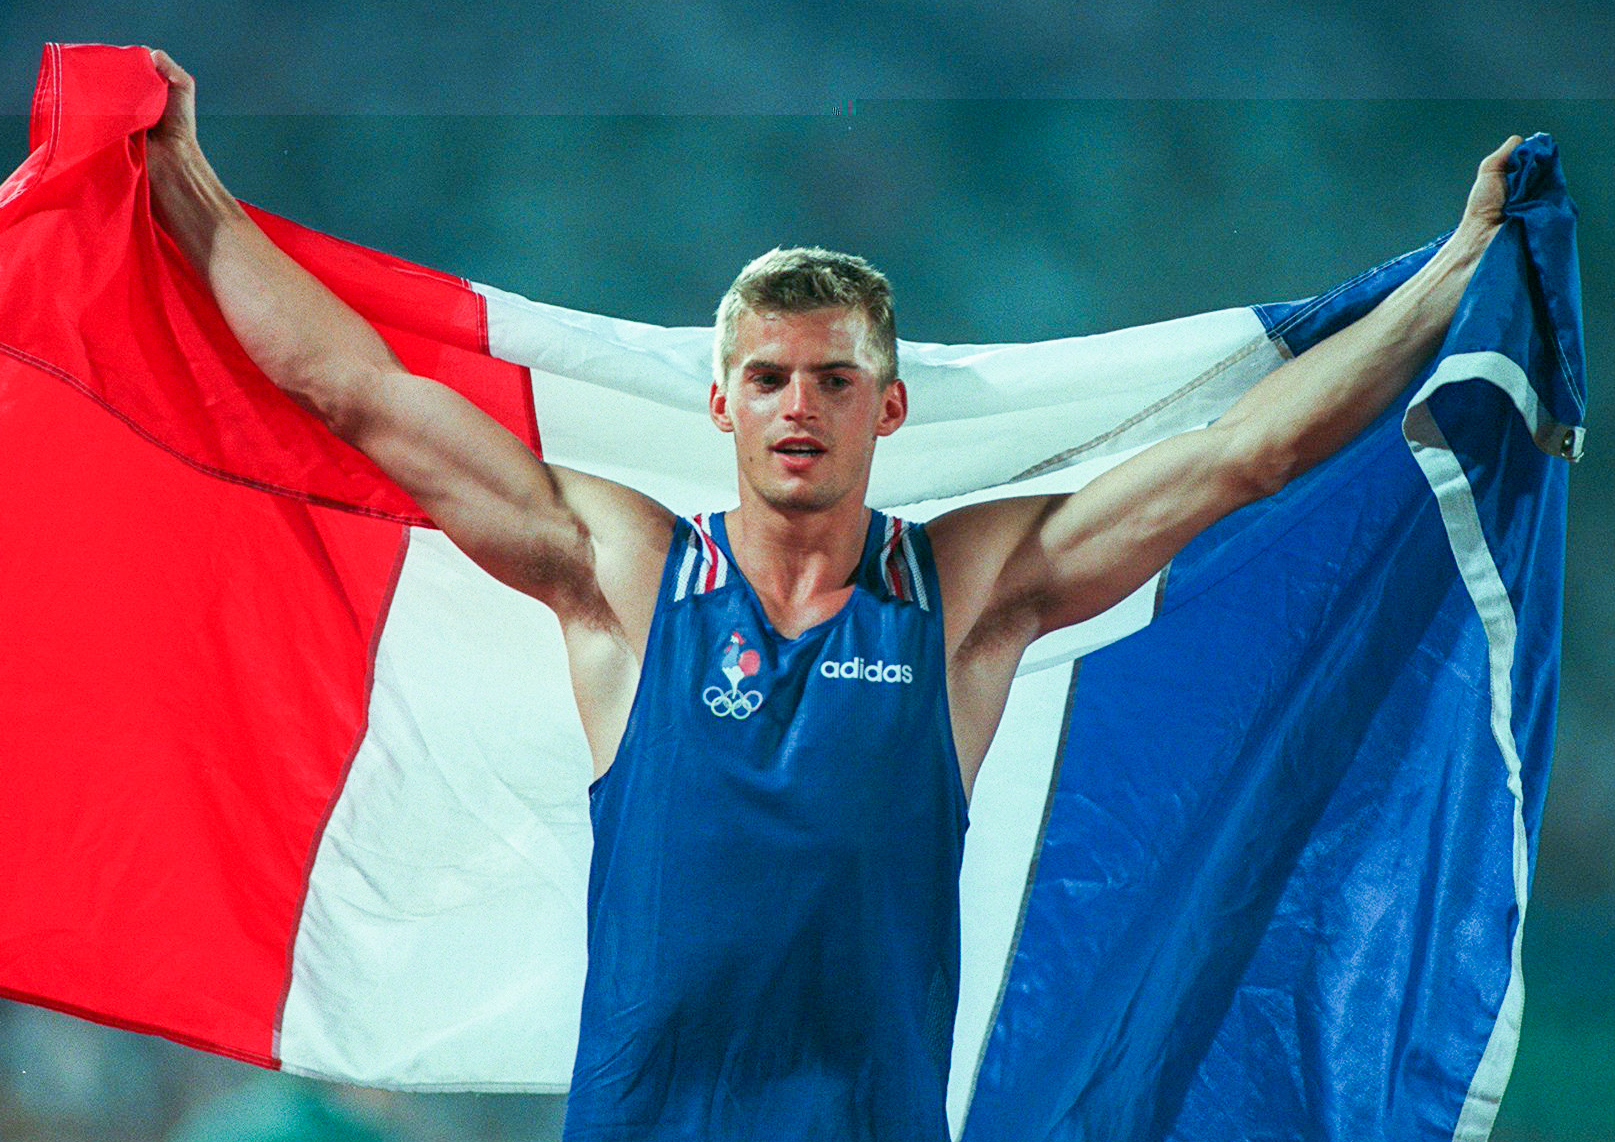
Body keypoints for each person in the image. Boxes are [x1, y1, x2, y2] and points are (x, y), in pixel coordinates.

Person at [143, 47, 1520, 1142]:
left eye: (835, 379)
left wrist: (1456, 276)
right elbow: (359, 393)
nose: (800, 405)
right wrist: (186, 185)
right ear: (724, 401)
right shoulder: (624, 571)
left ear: (889, 404)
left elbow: (1246, 455)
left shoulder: (969, 589)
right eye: (771, 379)